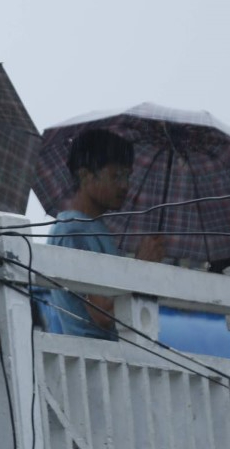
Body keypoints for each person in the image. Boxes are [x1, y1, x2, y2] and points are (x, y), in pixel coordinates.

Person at [38, 129, 165, 339]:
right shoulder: (73, 231)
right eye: (116, 175)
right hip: (91, 363)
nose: (125, 186)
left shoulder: (95, 228)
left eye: (127, 176)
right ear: (85, 175)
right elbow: (103, 314)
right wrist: (142, 267)